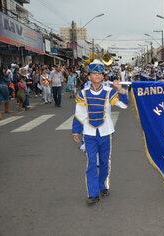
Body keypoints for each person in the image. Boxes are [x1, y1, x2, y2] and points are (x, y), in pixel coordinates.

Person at [72, 59, 128, 206]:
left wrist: (120, 90)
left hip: (105, 132)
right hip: (89, 133)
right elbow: (79, 113)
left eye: (99, 74)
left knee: (104, 162)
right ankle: (93, 193)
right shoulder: (83, 93)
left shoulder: (110, 92)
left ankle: (103, 185)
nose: (97, 76)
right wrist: (76, 131)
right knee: (91, 162)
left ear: (103, 76)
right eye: (94, 74)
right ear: (89, 76)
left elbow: (124, 105)